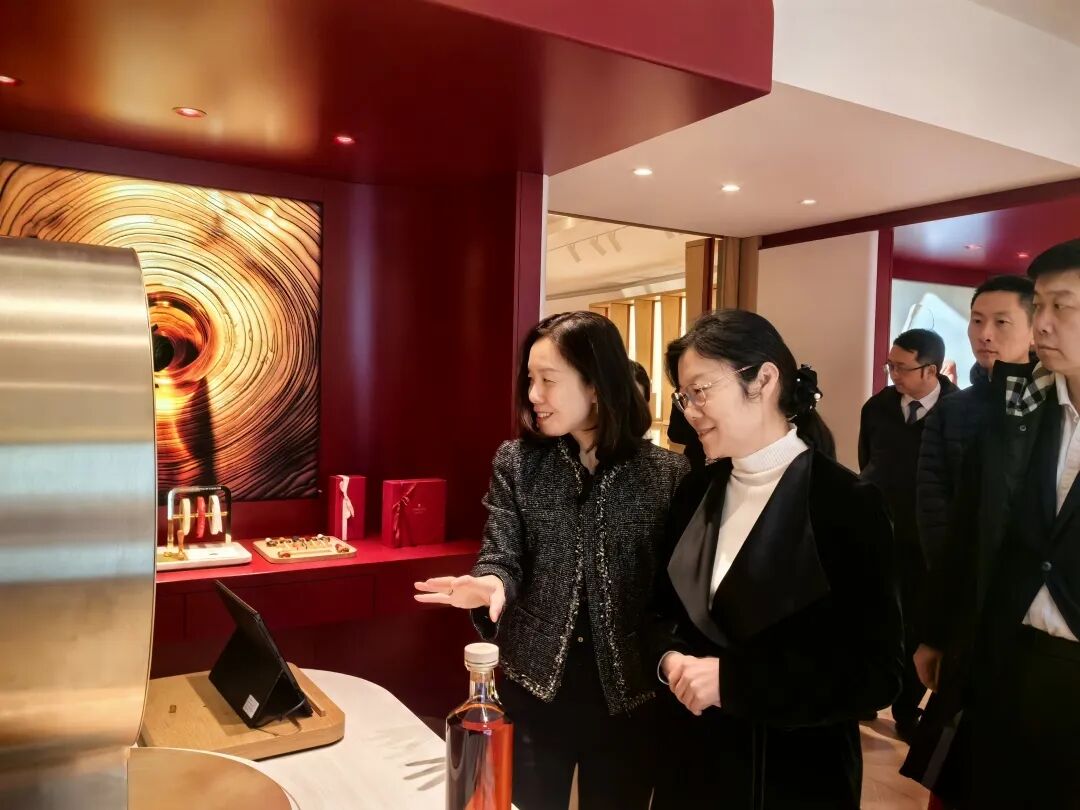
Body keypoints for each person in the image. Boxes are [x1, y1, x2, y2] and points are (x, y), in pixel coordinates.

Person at [414, 311, 689, 810]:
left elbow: (673, 594)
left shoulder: (666, 474)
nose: (533, 395)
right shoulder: (519, 462)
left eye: (548, 380)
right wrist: (491, 583)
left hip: (632, 696)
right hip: (534, 689)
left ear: (596, 385)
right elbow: (503, 552)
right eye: (530, 380)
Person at [649, 309, 902, 809]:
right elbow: (658, 611)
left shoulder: (845, 504)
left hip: (794, 778)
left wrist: (734, 683)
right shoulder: (695, 492)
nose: (690, 411)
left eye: (700, 391)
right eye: (684, 396)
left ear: (764, 380)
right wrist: (668, 659)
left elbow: (876, 673)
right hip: (693, 768)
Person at [915, 240, 1080, 808]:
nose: (1044, 323)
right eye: (1040, 305)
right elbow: (971, 524)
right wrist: (938, 629)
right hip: (1004, 649)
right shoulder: (1021, 406)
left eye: (1063, 306)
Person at [859, 328, 957, 739]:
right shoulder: (877, 407)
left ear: (930, 370)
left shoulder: (956, 411)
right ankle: (866, 694)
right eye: (890, 365)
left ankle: (905, 707)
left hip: (926, 542)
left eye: (901, 367)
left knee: (916, 623)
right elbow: (867, 459)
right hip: (880, 532)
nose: (893, 374)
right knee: (873, 616)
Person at [916, 275, 1034, 584]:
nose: (985, 334)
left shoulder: (1054, 404)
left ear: (1035, 331)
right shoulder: (951, 409)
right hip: (966, 575)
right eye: (977, 321)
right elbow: (932, 503)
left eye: (1001, 322)